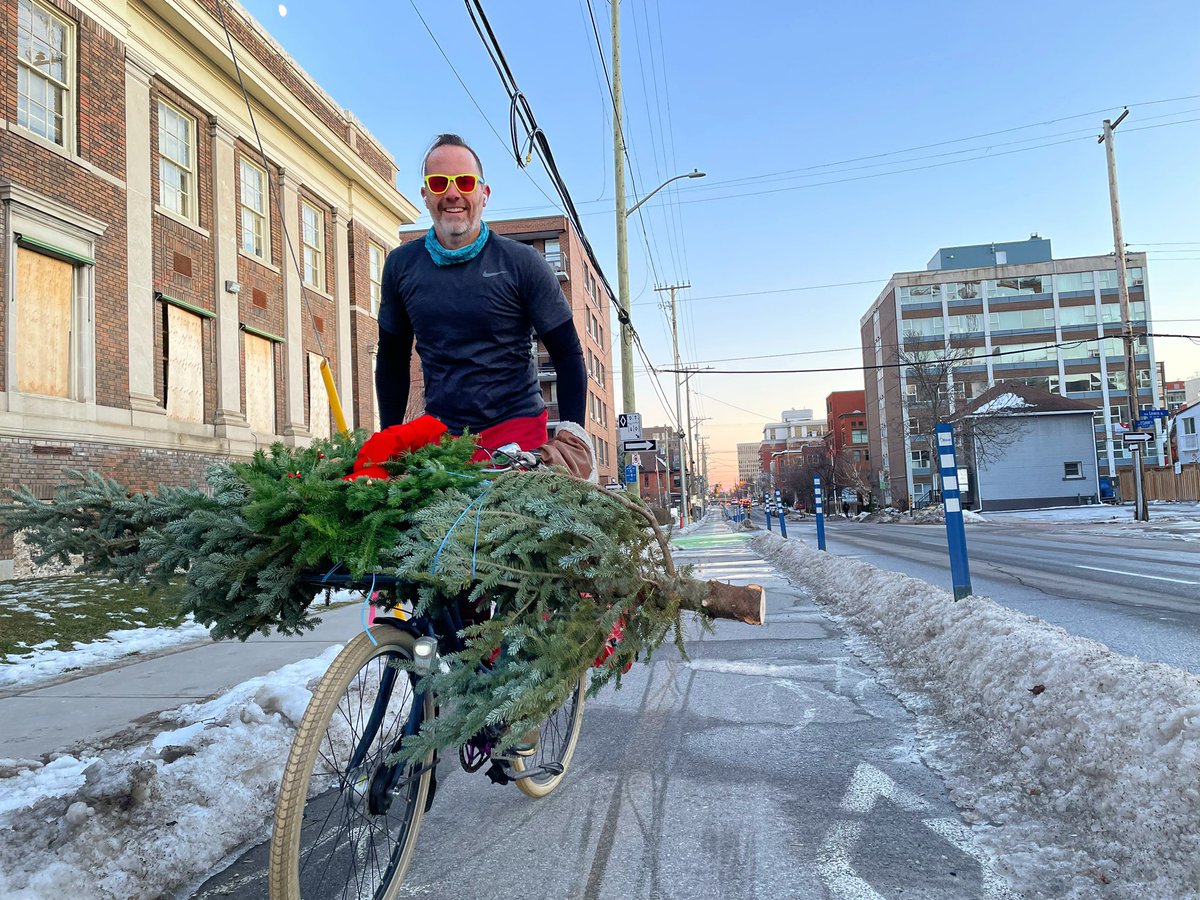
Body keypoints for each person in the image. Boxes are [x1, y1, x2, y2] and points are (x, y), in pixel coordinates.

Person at [373, 133, 592, 477]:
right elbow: (391, 359)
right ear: (425, 195)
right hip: (443, 441)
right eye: (439, 183)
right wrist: (390, 439)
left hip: (518, 436)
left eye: (464, 181)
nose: (452, 193)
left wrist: (574, 434)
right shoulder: (401, 266)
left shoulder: (523, 263)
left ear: (484, 194)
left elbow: (567, 354)